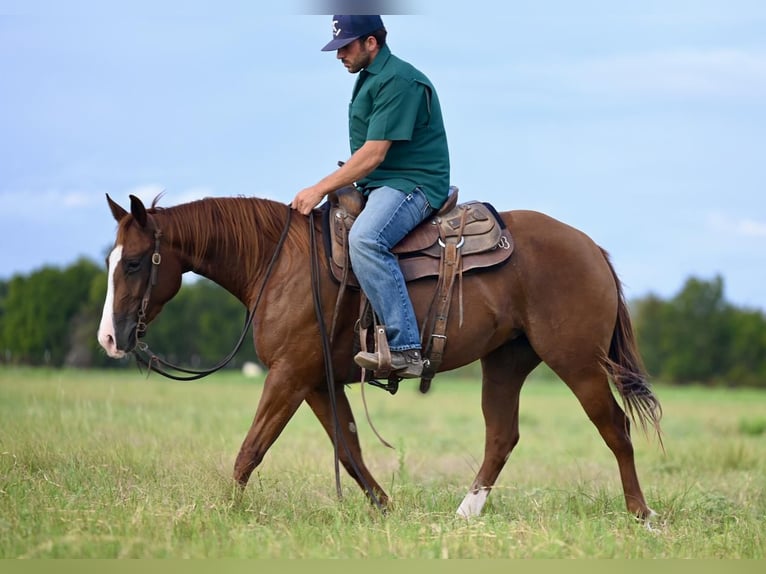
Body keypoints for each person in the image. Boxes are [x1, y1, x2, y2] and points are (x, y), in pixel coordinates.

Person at [291, 14, 450, 379]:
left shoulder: (398, 80)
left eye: (345, 46)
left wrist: (319, 188)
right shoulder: (370, 77)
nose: (339, 55)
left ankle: (405, 347)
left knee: (365, 239)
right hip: (382, 183)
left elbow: (374, 153)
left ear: (371, 43)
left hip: (414, 183)